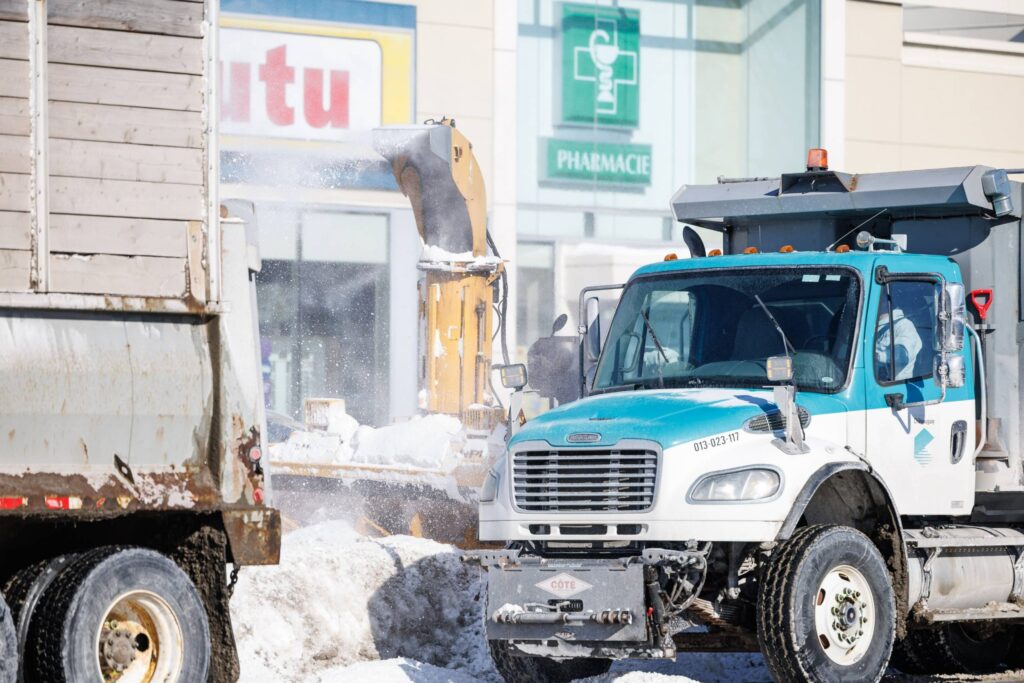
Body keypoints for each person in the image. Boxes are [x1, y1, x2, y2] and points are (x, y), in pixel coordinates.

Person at [875, 306, 923, 381]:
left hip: (892, 385)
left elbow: (901, 357)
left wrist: (876, 356)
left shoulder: (904, 325)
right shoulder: (871, 324)